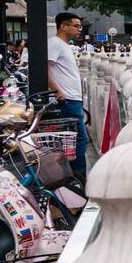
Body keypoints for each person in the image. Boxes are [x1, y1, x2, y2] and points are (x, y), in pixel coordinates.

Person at [48, 12, 89, 183]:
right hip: (67, 100)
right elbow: (43, 68)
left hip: (73, 99)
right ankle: (77, 179)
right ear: (63, 26)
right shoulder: (55, 44)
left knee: (74, 140)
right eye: (76, 26)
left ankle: (75, 178)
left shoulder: (65, 45)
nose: (79, 29)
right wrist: (58, 91)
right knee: (79, 139)